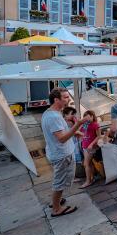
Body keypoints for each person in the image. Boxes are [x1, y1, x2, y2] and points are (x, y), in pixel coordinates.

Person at [41, 88, 86, 217]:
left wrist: (75, 132)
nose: (68, 99)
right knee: (59, 182)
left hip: (57, 152)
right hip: (61, 154)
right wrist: (78, 124)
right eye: (65, 97)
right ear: (56, 100)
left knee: (60, 180)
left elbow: (61, 132)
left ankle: (56, 201)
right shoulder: (54, 117)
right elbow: (62, 139)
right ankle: (56, 209)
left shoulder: (50, 113)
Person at [79, 110, 100, 189]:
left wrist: (91, 144)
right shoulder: (84, 124)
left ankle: (88, 181)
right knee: (89, 163)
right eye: (85, 117)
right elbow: (80, 132)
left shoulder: (95, 125)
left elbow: (98, 136)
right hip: (85, 146)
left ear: (92, 116)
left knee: (86, 164)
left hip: (90, 147)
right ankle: (92, 178)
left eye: (88, 117)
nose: (87, 119)